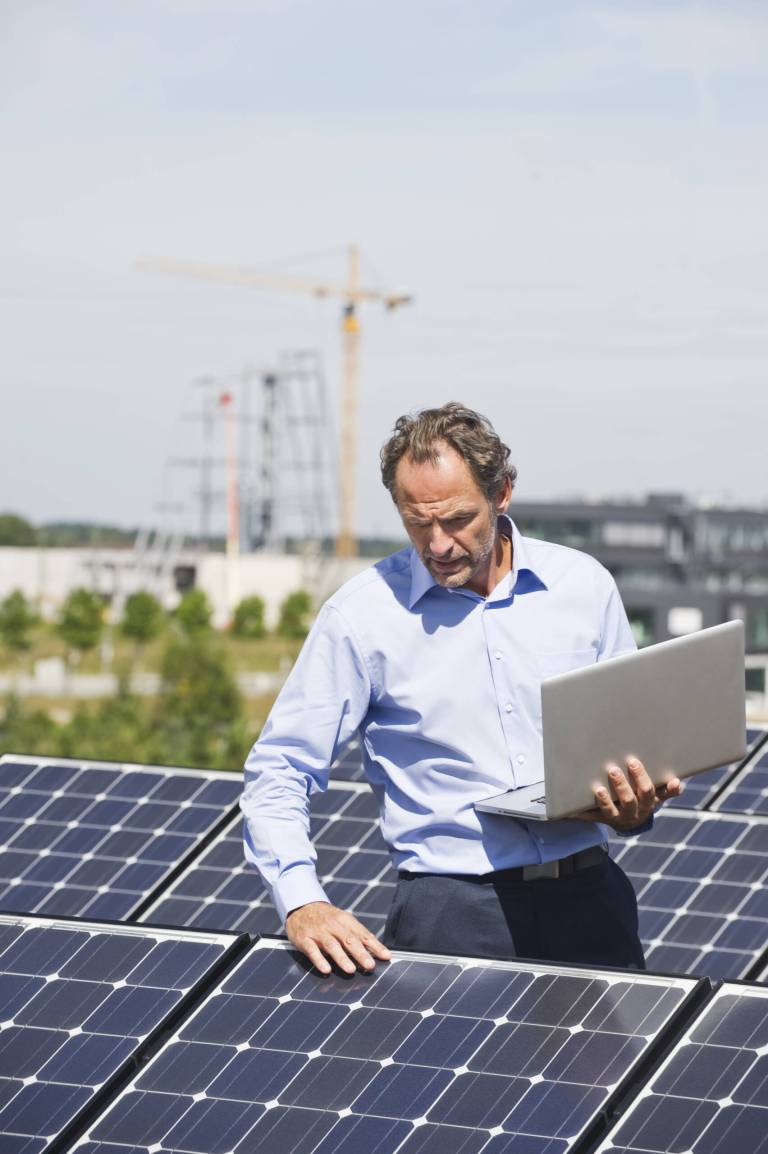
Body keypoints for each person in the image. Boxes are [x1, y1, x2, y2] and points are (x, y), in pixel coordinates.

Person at [241, 402, 682, 975]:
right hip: (451, 914)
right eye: (416, 523)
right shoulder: (361, 616)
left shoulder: (583, 587)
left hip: (591, 900)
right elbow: (279, 769)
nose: (438, 544)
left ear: (502, 495)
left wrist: (630, 809)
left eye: (456, 519)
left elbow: (628, 748)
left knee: (611, 1069)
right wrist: (301, 901)